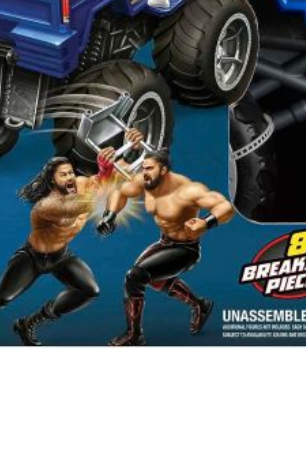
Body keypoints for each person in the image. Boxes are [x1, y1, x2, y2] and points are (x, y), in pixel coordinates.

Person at [0, 134, 141, 346]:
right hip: (33, 258)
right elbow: (77, 206)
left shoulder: (82, 184)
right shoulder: (46, 206)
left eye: (71, 172)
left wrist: (132, 149)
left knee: (89, 290)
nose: (70, 178)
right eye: (63, 175)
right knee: (2, 297)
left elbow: (117, 175)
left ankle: (28, 324)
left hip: (61, 256)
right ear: (53, 180)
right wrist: (104, 174)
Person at [98, 147, 232, 345]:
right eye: (144, 168)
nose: (145, 173)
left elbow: (225, 207)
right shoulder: (146, 182)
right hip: (164, 242)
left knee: (135, 276)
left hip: (186, 249)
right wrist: (110, 216)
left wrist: (206, 223)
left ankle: (134, 335)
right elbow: (120, 191)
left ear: (163, 170)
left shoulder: (187, 190)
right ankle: (201, 305)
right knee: (149, 278)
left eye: (150, 168)